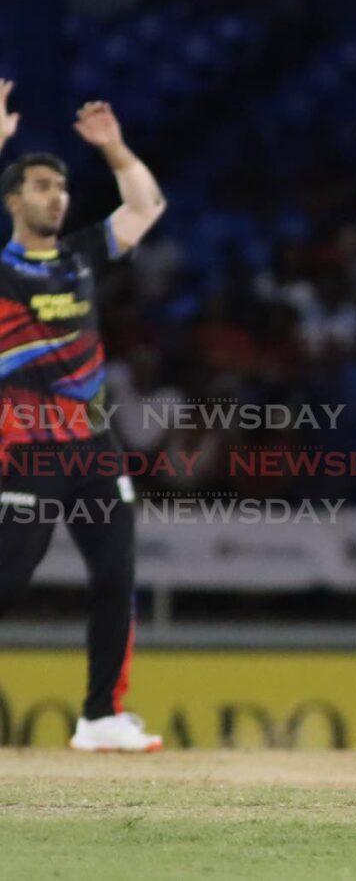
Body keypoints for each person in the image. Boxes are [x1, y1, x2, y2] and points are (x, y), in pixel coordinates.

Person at [0, 81, 166, 752]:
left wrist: (116, 148)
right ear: (14, 199)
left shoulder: (78, 257)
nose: (55, 197)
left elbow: (145, 206)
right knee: (8, 583)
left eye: (61, 187)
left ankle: (101, 716)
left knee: (117, 575)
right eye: (41, 186)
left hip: (93, 448)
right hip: (26, 449)